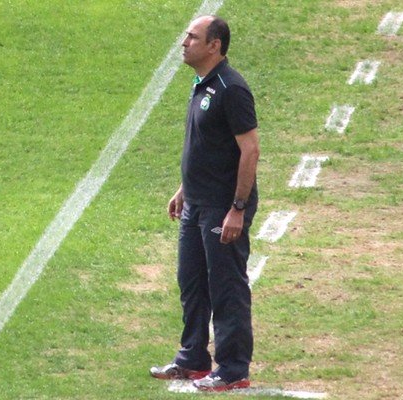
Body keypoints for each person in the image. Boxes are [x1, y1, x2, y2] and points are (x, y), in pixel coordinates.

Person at [149, 15, 260, 392]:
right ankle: (194, 357)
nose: (184, 42)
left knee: (226, 287)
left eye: (192, 37)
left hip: (222, 207)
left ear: (214, 45)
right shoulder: (203, 85)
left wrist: (238, 208)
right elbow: (206, 146)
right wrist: (184, 188)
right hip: (196, 202)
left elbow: (250, 150)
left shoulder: (232, 89)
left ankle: (232, 369)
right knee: (192, 282)